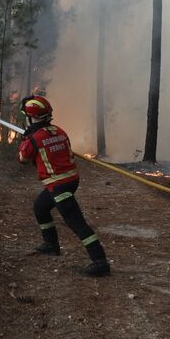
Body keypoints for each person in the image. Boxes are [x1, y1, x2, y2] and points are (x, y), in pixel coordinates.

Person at [17, 95, 111, 277]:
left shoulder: (34, 138)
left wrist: (25, 140)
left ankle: (100, 262)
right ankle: (51, 245)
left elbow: (23, 159)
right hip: (70, 180)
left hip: (58, 185)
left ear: (32, 117)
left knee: (76, 222)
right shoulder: (59, 131)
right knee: (40, 207)